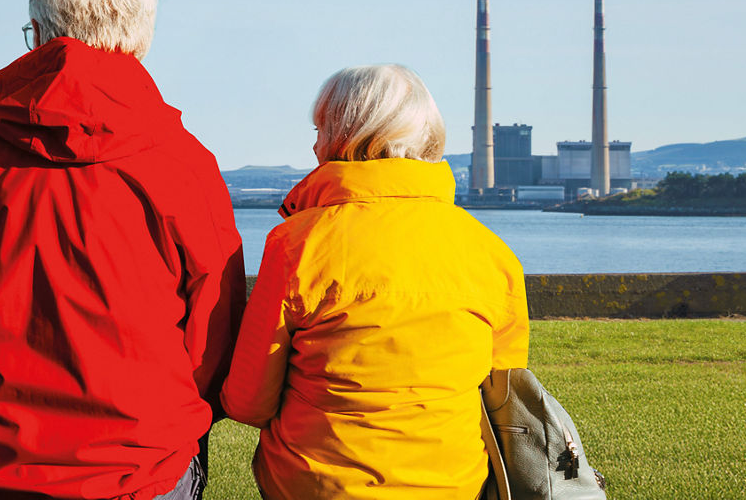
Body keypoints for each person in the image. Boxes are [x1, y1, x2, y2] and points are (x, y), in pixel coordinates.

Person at [0, 0, 245, 500]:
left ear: (39, 34)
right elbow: (213, 332)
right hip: (141, 467)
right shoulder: (183, 163)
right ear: (141, 37)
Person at [221, 64, 529, 500]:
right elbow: (504, 394)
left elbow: (249, 402)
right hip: (453, 486)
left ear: (347, 137)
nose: (312, 145)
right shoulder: (492, 252)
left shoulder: (298, 244)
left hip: (317, 487)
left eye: (320, 129)